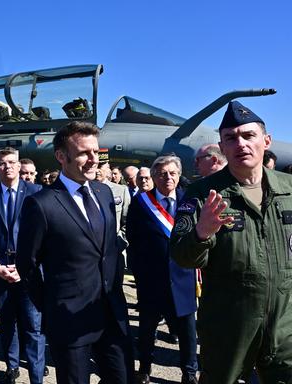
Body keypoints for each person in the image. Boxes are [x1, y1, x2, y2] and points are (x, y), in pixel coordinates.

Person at [171, 100, 292, 383]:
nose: (241, 144)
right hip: (229, 326)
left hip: (285, 325)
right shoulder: (202, 194)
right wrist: (201, 233)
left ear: (266, 140)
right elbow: (181, 255)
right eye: (231, 138)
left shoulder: (289, 190)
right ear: (222, 148)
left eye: (248, 135)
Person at [16, 121, 134, 384]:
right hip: (69, 321)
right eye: (84, 153)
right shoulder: (41, 204)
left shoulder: (104, 193)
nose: (94, 160)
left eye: (96, 152)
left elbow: (108, 250)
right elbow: (27, 264)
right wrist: (51, 304)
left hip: (112, 314)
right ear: (61, 156)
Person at [127, 155, 198, 384]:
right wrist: (140, 275)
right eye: (162, 173)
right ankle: (144, 368)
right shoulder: (140, 203)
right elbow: (133, 242)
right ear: (154, 177)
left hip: (183, 277)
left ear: (179, 176)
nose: (167, 177)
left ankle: (189, 373)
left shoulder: (189, 201)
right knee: (147, 329)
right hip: (151, 280)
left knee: (187, 331)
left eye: (172, 173)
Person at [0, 147, 46, 384]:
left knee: (33, 327)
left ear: (19, 165)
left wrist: (25, 266)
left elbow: (44, 235)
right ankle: (12, 367)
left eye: (12, 162)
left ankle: (36, 377)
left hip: (28, 274)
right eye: (2, 163)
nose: (8, 167)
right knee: (7, 323)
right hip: (0, 273)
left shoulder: (37, 193)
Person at [95, 153, 131, 259]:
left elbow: (127, 221)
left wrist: (120, 243)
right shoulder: (83, 190)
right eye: (95, 166)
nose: (97, 170)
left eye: (100, 167)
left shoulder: (121, 190)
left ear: (108, 169)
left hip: (114, 250)